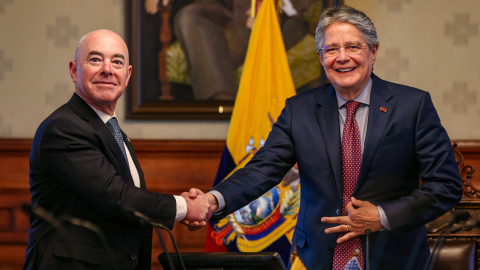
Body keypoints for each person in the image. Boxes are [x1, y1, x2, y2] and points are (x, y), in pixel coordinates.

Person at [186, 5, 463, 270]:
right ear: (321, 58)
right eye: (331, 49)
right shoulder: (299, 111)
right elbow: (261, 170)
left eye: (353, 46)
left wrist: (381, 216)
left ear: (373, 51)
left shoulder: (412, 106)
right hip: (316, 259)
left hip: (394, 257)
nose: (342, 57)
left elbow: (446, 185)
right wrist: (211, 201)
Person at [23, 29, 212, 270]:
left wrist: (183, 208)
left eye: (117, 62)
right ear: (73, 70)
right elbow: (117, 197)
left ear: (128, 74)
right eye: (95, 59)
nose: (107, 69)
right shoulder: (63, 127)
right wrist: (186, 207)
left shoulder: (112, 131)